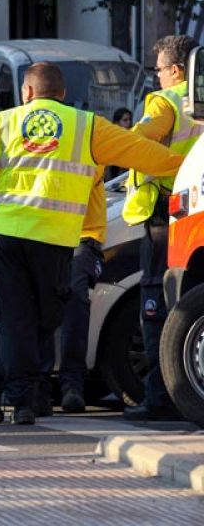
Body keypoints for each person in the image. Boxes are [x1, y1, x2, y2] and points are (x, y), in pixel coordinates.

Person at [0, 61, 184, 425]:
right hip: (56, 238)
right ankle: (10, 391)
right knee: (46, 319)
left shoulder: (4, 121)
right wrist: (188, 164)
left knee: (18, 319)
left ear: (27, 92)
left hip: (9, 234)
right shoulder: (85, 125)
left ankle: (8, 389)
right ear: (62, 94)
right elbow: (145, 154)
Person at [122, 34, 202, 421]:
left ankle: (160, 398)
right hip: (194, 207)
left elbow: (134, 143)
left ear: (175, 69)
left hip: (164, 210)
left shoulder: (166, 102)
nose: (156, 77)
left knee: (156, 305)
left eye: (158, 70)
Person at [40, 169, 106, 414]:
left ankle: (72, 385)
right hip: (45, 234)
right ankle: (40, 386)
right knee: (42, 303)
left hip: (82, 236)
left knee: (75, 299)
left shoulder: (89, 134)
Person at [103, 108, 132, 181]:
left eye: (129, 119)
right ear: (116, 123)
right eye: (125, 120)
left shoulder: (131, 137)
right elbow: (107, 167)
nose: (128, 122)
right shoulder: (110, 139)